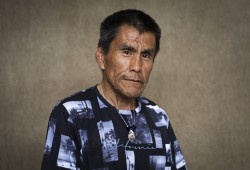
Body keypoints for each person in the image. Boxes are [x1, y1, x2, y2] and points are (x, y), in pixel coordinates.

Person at [41, 9, 188, 170]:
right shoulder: (71, 114)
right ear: (101, 56)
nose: (137, 67)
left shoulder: (158, 117)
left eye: (146, 55)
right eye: (126, 52)